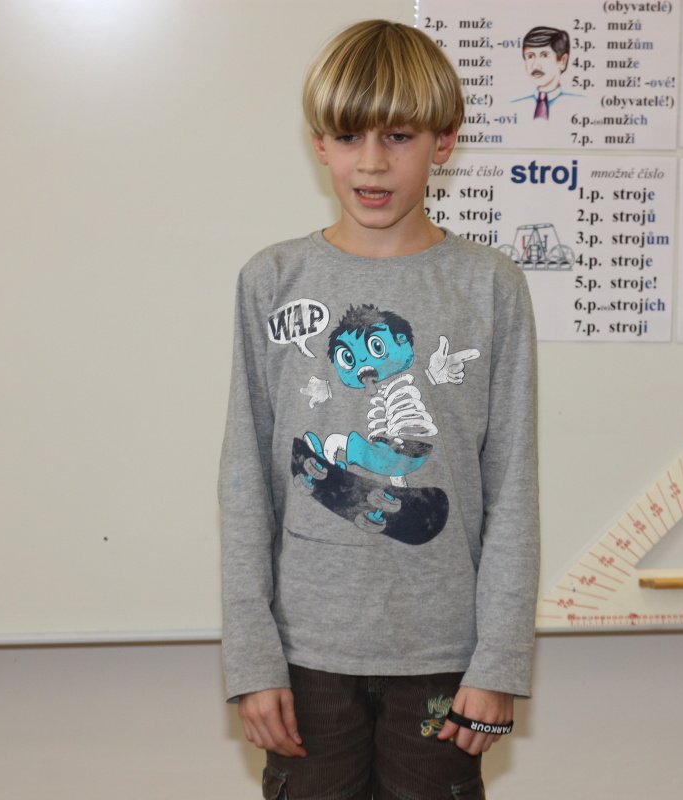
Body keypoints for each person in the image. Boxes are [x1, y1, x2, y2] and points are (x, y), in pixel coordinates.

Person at [218, 19, 540, 800]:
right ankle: (351, 466)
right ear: (319, 144)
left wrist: (498, 662)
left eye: (398, 136)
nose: (371, 162)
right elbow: (244, 481)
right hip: (305, 657)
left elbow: (513, 487)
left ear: (444, 142)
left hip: (444, 658)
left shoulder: (489, 287)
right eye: (348, 136)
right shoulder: (272, 280)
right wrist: (252, 660)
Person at [512, 25, 582, 120]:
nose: (535, 65)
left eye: (544, 55)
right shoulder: (514, 107)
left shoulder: (580, 104)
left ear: (563, 61)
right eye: (530, 56)